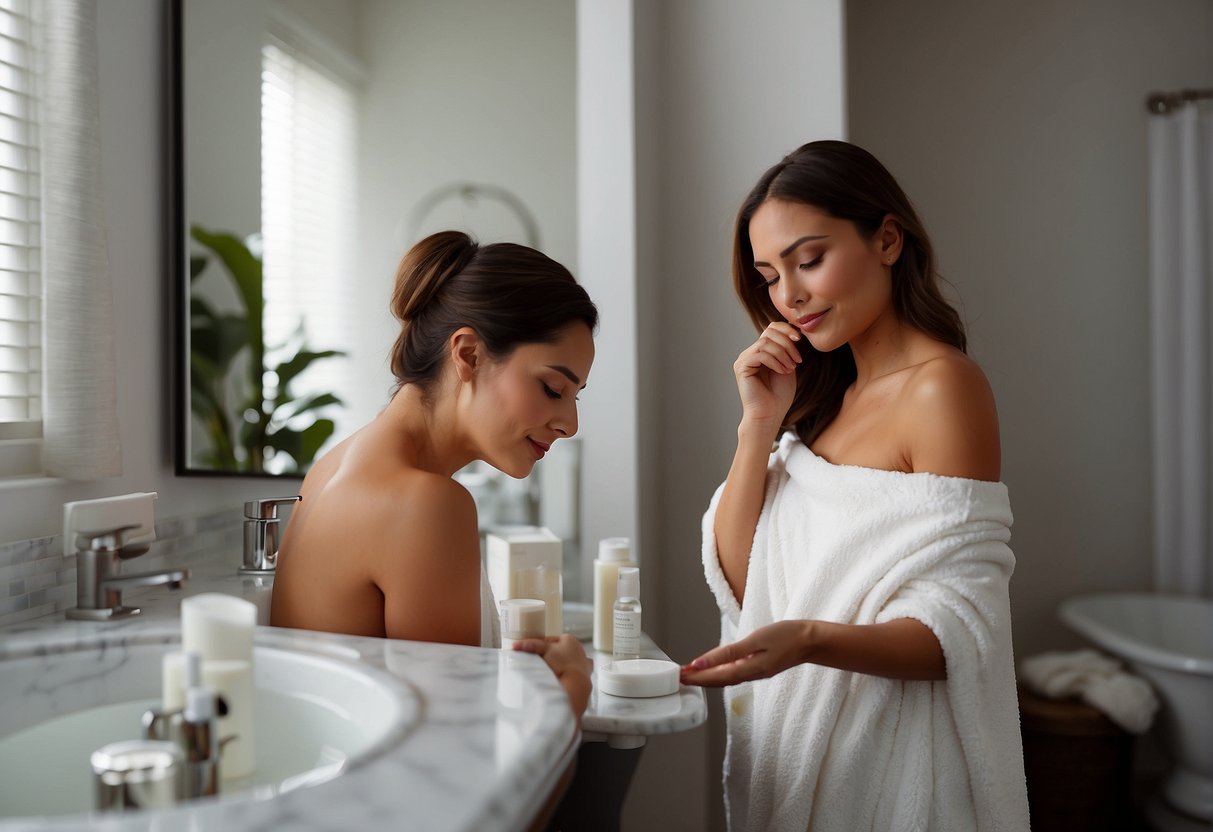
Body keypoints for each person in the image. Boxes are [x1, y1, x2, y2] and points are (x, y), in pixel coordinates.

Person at [680, 141, 1029, 831]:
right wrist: (757, 425)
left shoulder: (941, 389)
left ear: (887, 240)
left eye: (808, 260)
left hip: (895, 785)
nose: (789, 295)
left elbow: (961, 632)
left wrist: (810, 640)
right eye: (768, 275)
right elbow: (738, 580)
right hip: (806, 762)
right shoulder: (820, 399)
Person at [271, 230, 594, 717]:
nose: (569, 424)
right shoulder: (424, 503)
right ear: (468, 354)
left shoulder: (333, 464)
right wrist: (569, 693)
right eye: (552, 388)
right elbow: (459, 755)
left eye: (576, 396)